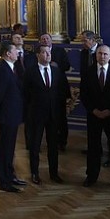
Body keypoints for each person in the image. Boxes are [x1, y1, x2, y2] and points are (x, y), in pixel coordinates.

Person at [79, 44, 110, 191]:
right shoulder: (88, 72)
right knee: (93, 147)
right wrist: (93, 110)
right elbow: (84, 94)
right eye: (100, 53)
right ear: (96, 55)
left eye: (105, 54)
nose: (102, 56)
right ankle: (91, 176)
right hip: (94, 115)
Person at [23, 45, 68, 185]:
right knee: (35, 145)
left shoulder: (56, 71)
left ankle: (54, 173)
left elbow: (61, 92)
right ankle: (34, 173)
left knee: (53, 146)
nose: (48, 55)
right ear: (38, 55)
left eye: (49, 52)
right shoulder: (30, 72)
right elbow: (25, 94)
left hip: (53, 115)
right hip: (36, 114)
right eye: (44, 52)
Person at [0, 41, 26, 193]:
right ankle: (4, 181)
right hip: (7, 115)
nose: (18, 52)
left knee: (10, 148)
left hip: (13, 114)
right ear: (8, 54)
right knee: (4, 148)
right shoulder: (3, 70)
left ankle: (10, 176)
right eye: (15, 51)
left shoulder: (11, 67)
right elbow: (0, 94)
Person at [39, 33, 71, 150]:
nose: (45, 40)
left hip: (59, 90)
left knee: (61, 117)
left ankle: (62, 141)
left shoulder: (60, 51)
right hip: (44, 92)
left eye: (47, 38)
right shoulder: (37, 53)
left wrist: (57, 65)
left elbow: (67, 66)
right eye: (43, 39)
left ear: (51, 40)